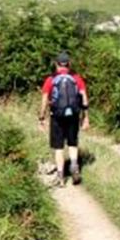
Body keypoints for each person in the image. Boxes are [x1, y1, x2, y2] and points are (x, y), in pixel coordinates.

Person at [38, 51, 89, 186]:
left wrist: (42, 117)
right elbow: (84, 97)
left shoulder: (50, 79)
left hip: (57, 116)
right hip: (73, 115)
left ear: (56, 64)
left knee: (58, 147)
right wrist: (85, 117)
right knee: (72, 143)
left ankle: (61, 178)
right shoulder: (76, 78)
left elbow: (44, 99)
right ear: (69, 64)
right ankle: (74, 167)